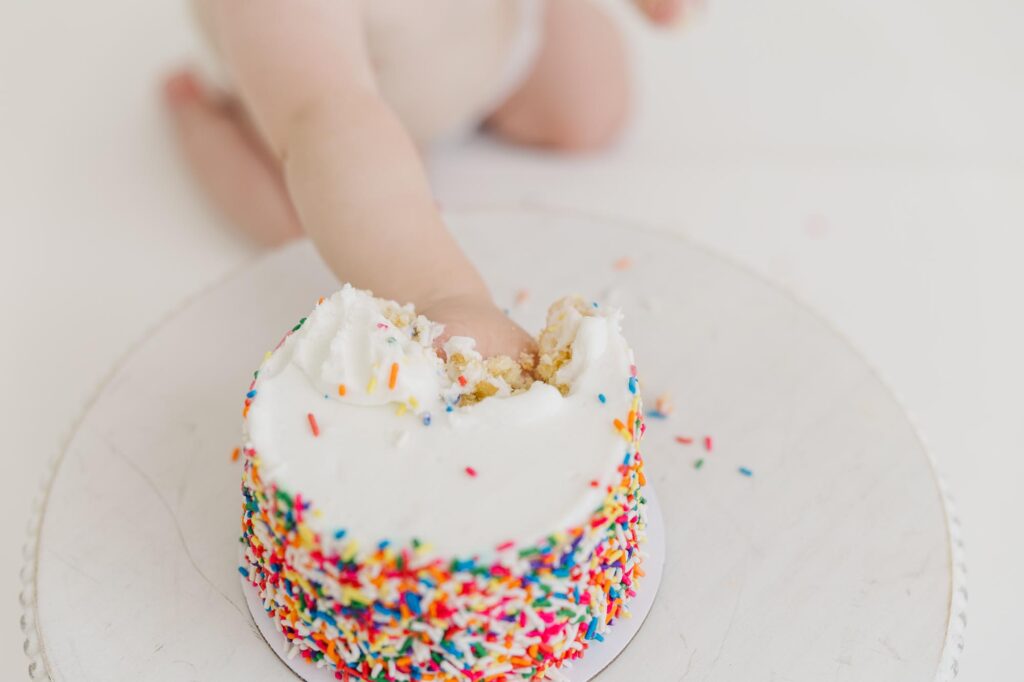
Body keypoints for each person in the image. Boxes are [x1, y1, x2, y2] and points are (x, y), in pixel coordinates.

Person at [164, 0, 687, 360]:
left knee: (592, 107)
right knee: (323, 223)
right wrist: (439, 291)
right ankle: (211, 122)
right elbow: (324, 115)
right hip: (336, 100)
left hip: (487, 35)